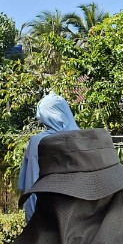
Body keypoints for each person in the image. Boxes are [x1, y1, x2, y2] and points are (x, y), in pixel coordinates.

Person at [17, 93, 79, 222]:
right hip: (79, 215)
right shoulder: (82, 138)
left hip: (45, 215)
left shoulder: (39, 141)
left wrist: (32, 218)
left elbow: (31, 181)